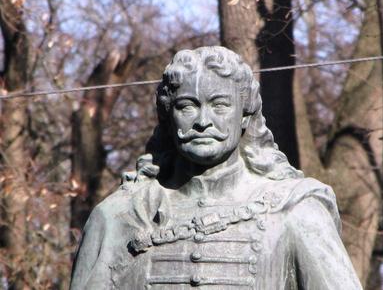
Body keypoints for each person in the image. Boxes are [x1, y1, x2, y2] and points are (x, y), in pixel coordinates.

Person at [70, 46, 362, 289]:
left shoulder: (294, 211)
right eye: (187, 106)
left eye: (220, 105)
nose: (202, 121)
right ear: (168, 117)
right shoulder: (119, 217)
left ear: (245, 115)